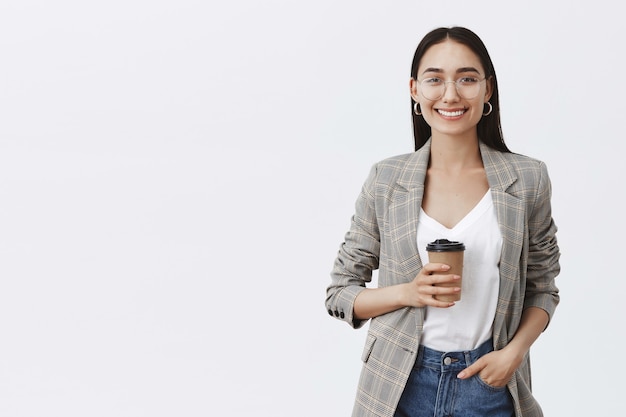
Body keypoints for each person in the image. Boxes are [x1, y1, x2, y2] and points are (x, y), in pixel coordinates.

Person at [325, 26, 560, 417]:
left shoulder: (528, 179)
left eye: (467, 79)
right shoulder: (386, 180)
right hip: (399, 384)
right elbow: (340, 294)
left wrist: (513, 354)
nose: (450, 94)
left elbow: (543, 289)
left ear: (488, 89)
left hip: (488, 381)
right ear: (415, 90)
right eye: (435, 79)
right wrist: (408, 293)